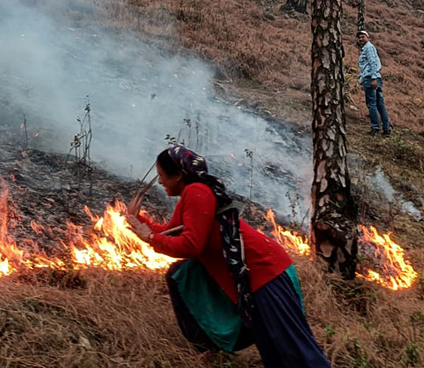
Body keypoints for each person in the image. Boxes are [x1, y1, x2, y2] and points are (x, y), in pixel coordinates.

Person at [125, 145, 331, 367]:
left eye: (163, 175)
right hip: (256, 277)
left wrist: (149, 238)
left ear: (179, 175)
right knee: (275, 351)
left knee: (295, 350)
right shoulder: (190, 196)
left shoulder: (197, 192)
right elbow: (170, 232)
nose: (160, 182)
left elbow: (191, 246)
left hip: (265, 272)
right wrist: (138, 222)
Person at [356, 30, 392, 135]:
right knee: (380, 104)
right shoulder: (367, 48)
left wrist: (373, 78)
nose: (361, 39)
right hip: (374, 78)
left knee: (372, 104)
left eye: (363, 36)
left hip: (371, 78)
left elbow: (373, 63)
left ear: (368, 37)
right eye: (359, 37)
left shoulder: (368, 48)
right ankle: (386, 128)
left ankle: (375, 127)